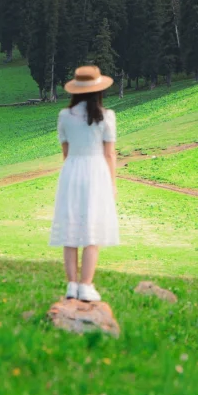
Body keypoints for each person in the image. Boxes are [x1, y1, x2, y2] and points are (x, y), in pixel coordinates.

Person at [49, 65, 119, 301]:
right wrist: (112, 183)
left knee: (71, 229)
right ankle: (86, 285)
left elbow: (66, 152)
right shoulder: (106, 117)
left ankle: (71, 284)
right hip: (96, 171)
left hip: (72, 171)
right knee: (93, 229)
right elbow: (109, 154)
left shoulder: (64, 116)